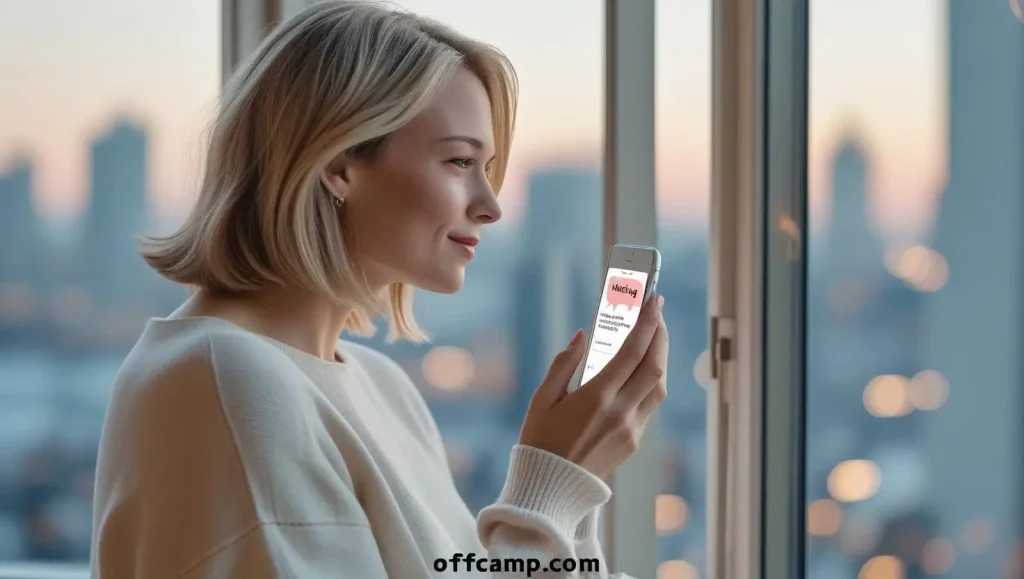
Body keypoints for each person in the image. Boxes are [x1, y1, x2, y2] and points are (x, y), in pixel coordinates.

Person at [88, 1, 669, 577]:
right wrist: (552, 485)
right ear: (339, 165)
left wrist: (568, 505)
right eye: (459, 162)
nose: (490, 207)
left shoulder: (385, 389)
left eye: (486, 169)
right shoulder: (224, 379)